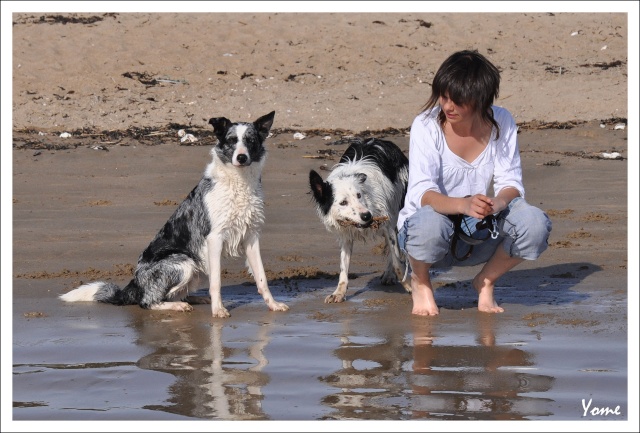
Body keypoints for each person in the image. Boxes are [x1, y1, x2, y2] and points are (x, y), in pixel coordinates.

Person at [397, 50, 552, 316]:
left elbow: (511, 183)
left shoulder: (502, 121)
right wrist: (463, 204)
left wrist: (497, 203)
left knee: (535, 223)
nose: (448, 106)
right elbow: (422, 191)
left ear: (480, 100)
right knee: (428, 225)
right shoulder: (426, 125)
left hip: (479, 232)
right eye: (444, 96)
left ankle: (486, 281)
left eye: (458, 100)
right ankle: (421, 282)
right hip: (426, 235)